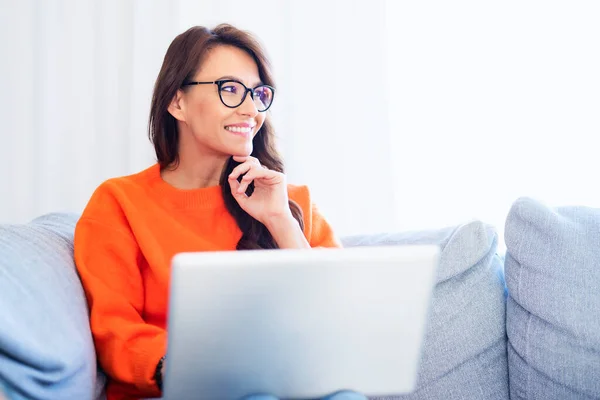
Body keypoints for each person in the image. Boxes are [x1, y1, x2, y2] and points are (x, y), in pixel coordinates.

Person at [74, 24, 365, 400]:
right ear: (176, 102)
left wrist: (280, 222)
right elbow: (116, 330)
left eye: (259, 94)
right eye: (230, 89)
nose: (251, 109)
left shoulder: (289, 201)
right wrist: (198, 368)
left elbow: (341, 319)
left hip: (290, 386)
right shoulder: (119, 202)